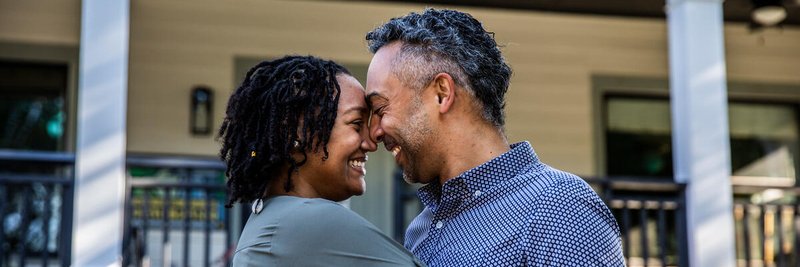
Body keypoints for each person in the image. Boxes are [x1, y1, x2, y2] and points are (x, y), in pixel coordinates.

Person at [364, 9, 626, 266]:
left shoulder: (559, 207)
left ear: (442, 94)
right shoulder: (419, 230)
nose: (374, 132)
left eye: (380, 109)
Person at [219, 55, 424, 266]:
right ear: (293, 134)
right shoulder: (310, 222)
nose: (371, 143)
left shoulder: (268, 221)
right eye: (356, 124)